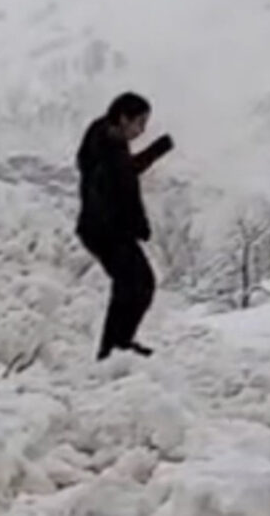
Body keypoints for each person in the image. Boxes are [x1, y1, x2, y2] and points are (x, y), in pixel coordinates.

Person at [76, 92, 174, 361]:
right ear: (123, 118)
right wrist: (136, 225)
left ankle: (116, 346)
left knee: (134, 286)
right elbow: (120, 187)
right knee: (137, 285)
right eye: (139, 123)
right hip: (106, 231)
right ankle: (113, 348)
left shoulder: (107, 139)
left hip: (105, 229)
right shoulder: (106, 152)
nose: (142, 130)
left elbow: (125, 173)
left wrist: (156, 150)